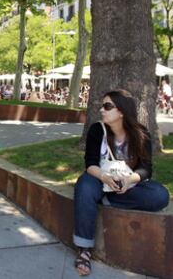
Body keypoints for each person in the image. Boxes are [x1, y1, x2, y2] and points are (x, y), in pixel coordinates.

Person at [73, 89, 169, 276]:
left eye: (108, 106)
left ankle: (108, 199)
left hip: (126, 184)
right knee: (84, 186)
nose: (102, 110)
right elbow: (90, 164)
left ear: (122, 111)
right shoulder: (97, 130)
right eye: (102, 106)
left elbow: (145, 169)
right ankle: (84, 249)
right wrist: (104, 178)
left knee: (160, 195)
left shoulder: (142, 134)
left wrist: (129, 180)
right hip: (99, 179)